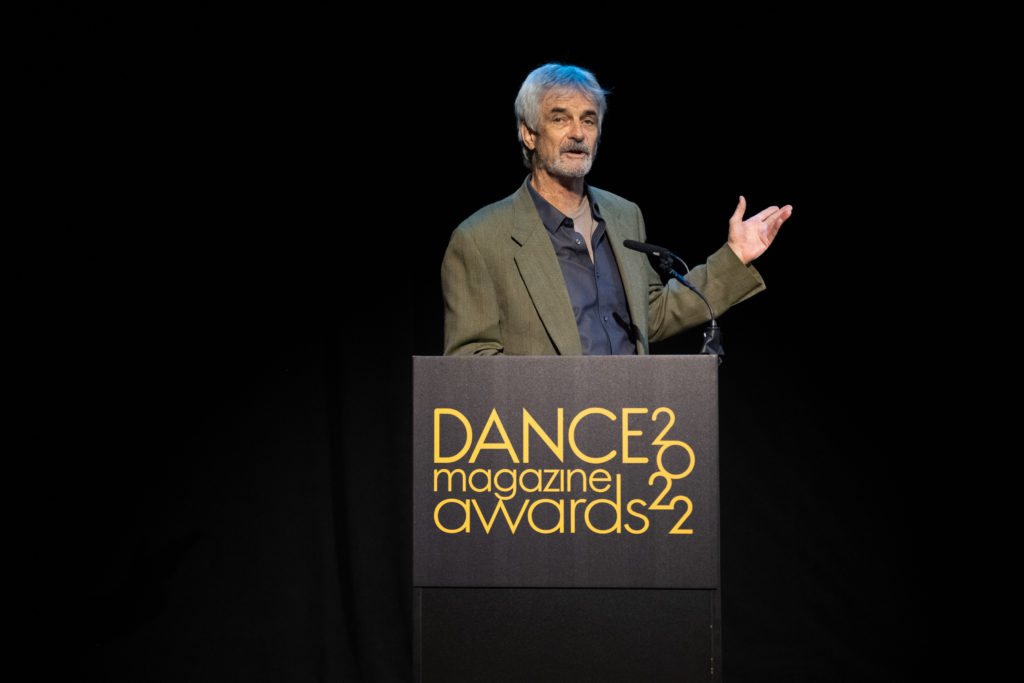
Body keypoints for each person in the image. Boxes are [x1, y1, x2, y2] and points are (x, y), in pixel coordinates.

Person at [441, 62, 792, 356]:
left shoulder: (625, 215)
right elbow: (473, 362)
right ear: (529, 134)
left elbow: (649, 315)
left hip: (628, 426)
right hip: (544, 432)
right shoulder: (480, 239)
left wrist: (734, 256)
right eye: (560, 119)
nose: (578, 133)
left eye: (589, 120)